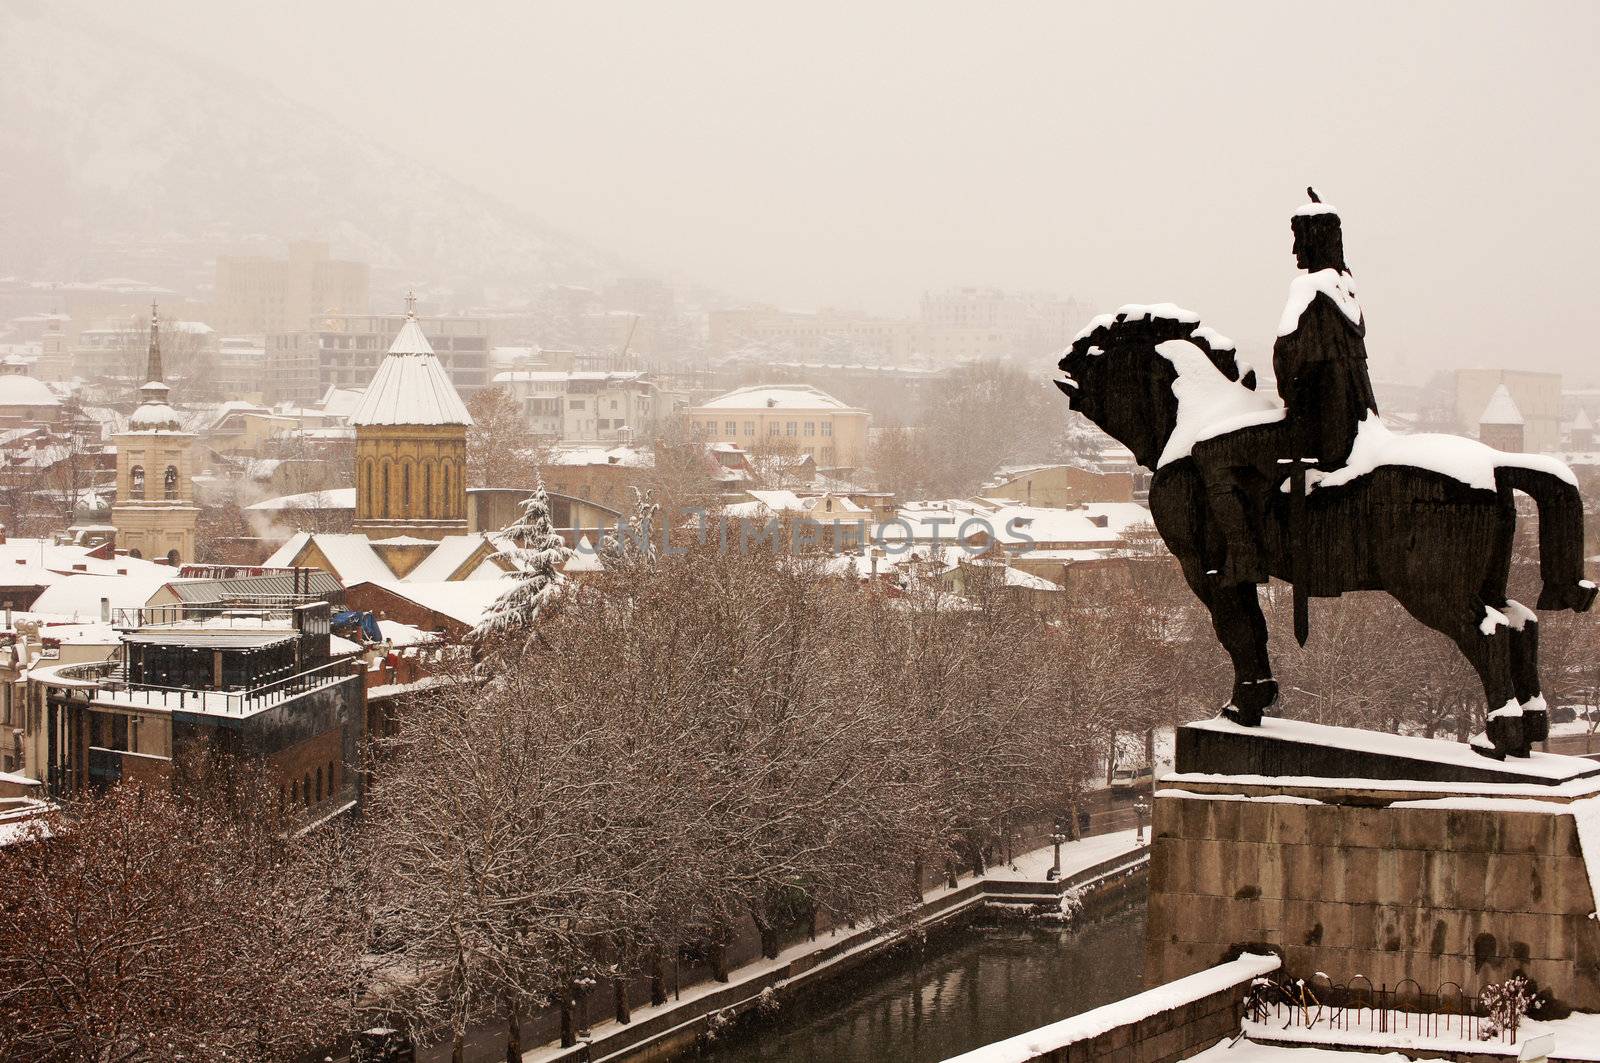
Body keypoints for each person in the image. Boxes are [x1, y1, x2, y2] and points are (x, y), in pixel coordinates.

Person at [1193, 189, 1378, 584]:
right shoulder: (1344, 289)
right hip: (1354, 423)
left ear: (1315, 241)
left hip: (1315, 431)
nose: (1295, 250)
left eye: (1300, 238)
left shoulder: (1310, 293)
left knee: (1211, 453)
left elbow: (1291, 371)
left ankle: (1245, 556)